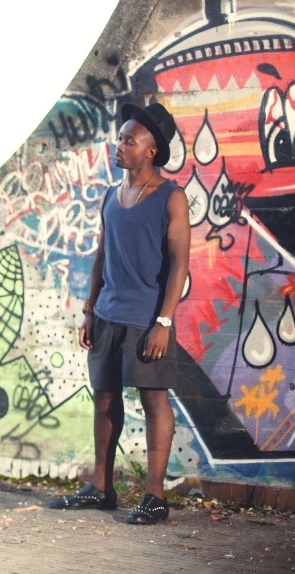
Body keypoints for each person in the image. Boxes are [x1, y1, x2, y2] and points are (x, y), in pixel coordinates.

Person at [47, 103, 190, 524]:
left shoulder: (171, 196)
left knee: (153, 401)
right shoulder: (112, 195)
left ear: (150, 151)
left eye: (130, 140)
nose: (120, 145)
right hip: (108, 313)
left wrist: (163, 321)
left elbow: (180, 264)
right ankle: (101, 488)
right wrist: (91, 310)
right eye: (121, 138)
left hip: (147, 319)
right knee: (105, 398)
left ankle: (154, 496)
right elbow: (101, 256)